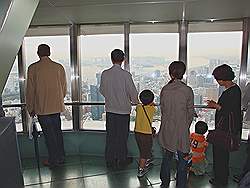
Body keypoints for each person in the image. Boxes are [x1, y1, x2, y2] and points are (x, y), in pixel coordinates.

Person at [26, 44, 67, 168]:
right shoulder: (59, 67)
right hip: (56, 107)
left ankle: (53, 160)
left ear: (38, 53)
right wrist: (58, 100)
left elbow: (30, 91)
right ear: (50, 52)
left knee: (49, 136)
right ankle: (61, 157)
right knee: (57, 133)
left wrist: (31, 108)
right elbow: (64, 88)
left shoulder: (33, 68)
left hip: (42, 109)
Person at [99, 49, 138, 169]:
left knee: (110, 136)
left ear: (111, 59)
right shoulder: (126, 75)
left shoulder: (105, 73)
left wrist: (111, 98)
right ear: (123, 59)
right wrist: (135, 102)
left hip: (110, 111)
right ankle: (121, 159)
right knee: (122, 137)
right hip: (123, 112)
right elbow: (133, 93)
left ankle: (110, 159)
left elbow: (102, 90)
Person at [158, 61, 195, 188]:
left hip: (167, 129)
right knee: (183, 159)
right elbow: (190, 112)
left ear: (170, 73)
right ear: (183, 73)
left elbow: (163, 110)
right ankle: (181, 184)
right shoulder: (187, 90)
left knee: (167, 158)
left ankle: (164, 183)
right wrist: (185, 125)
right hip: (181, 130)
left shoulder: (165, 89)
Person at [207, 64, 242, 186]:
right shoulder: (233, 89)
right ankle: (221, 177)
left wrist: (215, 105)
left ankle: (220, 180)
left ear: (223, 78)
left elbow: (228, 110)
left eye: (218, 79)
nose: (217, 81)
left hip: (224, 130)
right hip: (226, 129)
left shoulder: (233, 91)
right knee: (222, 156)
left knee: (220, 155)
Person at [134, 89, 156, 178]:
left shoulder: (138, 107)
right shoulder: (152, 109)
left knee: (143, 149)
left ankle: (148, 159)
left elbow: (139, 105)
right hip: (146, 134)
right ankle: (141, 169)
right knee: (144, 152)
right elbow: (153, 107)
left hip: (137, 132)